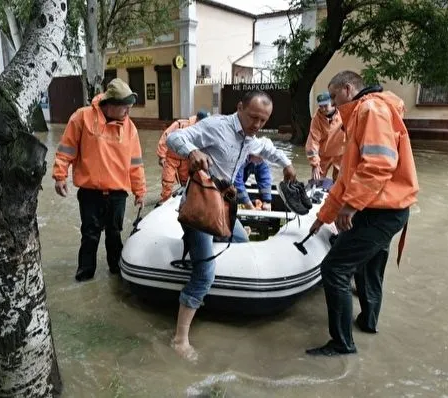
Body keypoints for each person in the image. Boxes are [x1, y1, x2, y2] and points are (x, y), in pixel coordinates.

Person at [166, 91, 297, 361]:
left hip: (223, 206)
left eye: (263, 120)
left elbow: (267, 149)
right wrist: (192, 151)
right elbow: (174, 137)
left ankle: (209, 283)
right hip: (201, 205)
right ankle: (179, 339)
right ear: (240, 108)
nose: (257, 124)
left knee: (241, 244)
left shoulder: (250, 138)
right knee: (204, 273)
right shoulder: (216, 126)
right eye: (253, 117)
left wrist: (287, 165)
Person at [306, 71, 419, 356]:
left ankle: (342, 344)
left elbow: (378, 165)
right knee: (369, 267)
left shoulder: (369, 110)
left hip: (378, 211)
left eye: (333, 96)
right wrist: (324, 216)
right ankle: (368, 323)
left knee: (334, 269)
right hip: (387, 209)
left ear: (347, 89)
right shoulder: (364, 113)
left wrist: (350, 206)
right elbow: (346, 178)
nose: (331, 103)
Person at [52, 78, 146, 282]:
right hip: (90, 193)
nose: (128, 113)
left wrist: (140, 192)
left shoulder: (130, 128)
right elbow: (66, 148)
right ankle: (85, 273)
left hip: (118, 194)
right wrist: (60, 175)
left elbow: (136, 164)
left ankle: (116, 271)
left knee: (115, 235)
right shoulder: (82, 117)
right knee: (90, 235)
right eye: (124, 108)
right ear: (110, 105)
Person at [156, 110, 210, 204]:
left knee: (187, 183)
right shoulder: (181, 124)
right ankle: (165, 201)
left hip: (186, 159)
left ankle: (184, 202)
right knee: (167, 181)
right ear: (198, 120)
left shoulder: (203, 129)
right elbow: (166, 136)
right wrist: (161, 156)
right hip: (171, 158)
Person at [305, 92, 345, 181]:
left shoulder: (343, 113)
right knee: (316, 180)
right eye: (320, 106)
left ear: (332, 103)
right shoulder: (316, 119)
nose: (323, 109)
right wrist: (315, 164)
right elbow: (313, 141)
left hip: (341, 154)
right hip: (323, 155)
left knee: (340, 182)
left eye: (325, 105)